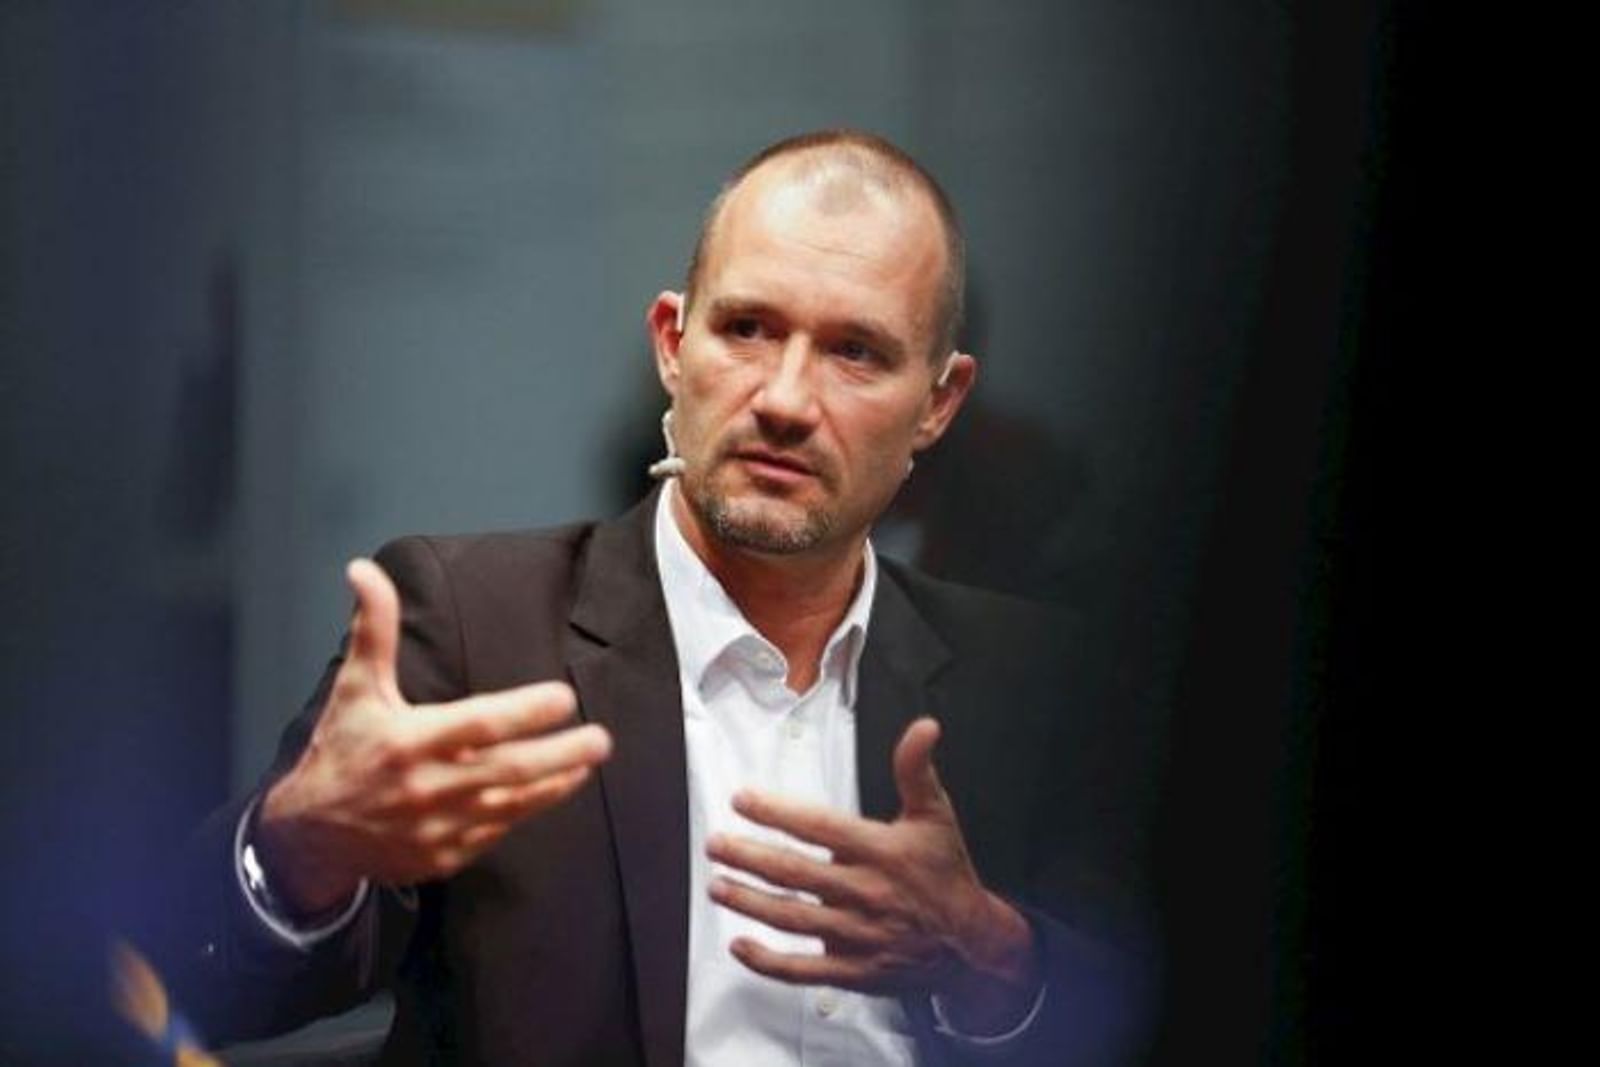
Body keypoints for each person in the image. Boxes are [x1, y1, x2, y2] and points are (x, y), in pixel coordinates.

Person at [160, 130, 1147, 1066]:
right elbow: (206, 986)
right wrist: (302, 846)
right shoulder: (474, 627)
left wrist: (994, 956)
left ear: (938, 402)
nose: (785, 400)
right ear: (673, 343)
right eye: (747, 328)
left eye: (856, 352)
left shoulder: (1036, 680)